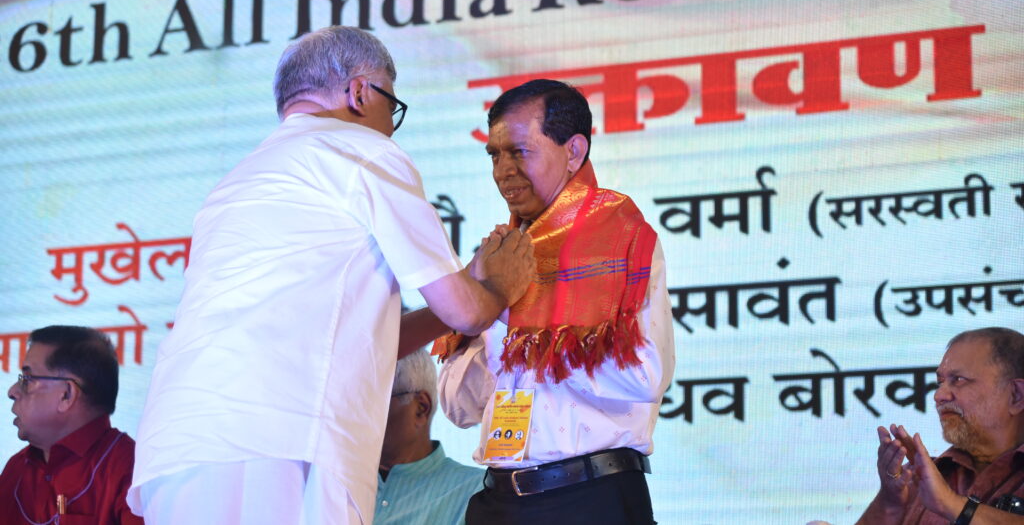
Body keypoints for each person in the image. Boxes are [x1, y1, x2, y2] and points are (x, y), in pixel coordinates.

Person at [128, 26, 535, 525]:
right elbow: (467, 311)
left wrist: (464, 283)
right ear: (360, 93)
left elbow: (363, 337)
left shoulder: (238, 180)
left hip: (179, 450)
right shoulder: (361, 149)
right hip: (286, 443)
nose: (390, 128)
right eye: (391, 105)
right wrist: (498, 285)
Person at [434, 79, 675, 525]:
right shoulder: (503, 256)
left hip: (589, 498)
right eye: (494, 155)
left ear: (574, 151)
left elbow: (645, 376)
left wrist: (519, 325)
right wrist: (494, 307)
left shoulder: (619, 239)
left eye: (519, 151)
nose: (503, 171)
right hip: (498, 500)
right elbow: (457, 407)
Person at [856, 327, 1024, 525]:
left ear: (1016, 395)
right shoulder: (918, 477)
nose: (938, 396)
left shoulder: (937, 489)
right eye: (940, 382)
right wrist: (890, 501)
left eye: (959, 380)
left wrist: (950, 503)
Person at [1, 325, 142, 525]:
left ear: (66, 394)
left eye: (27, 380)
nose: (12, 391)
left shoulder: (130, 469)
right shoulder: (16, 469)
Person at [375, 348, 483, 525]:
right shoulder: (337, 486)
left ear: (421, 408)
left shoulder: (477, 493)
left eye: (369, 403)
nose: (354, 417)